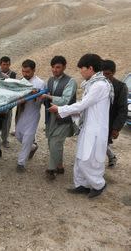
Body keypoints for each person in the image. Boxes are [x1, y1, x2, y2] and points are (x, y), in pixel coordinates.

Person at [48, 54, 113, 198]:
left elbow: (83, 105)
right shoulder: (92, 84)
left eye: (82, 69)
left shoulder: (100, 85)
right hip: (87, 127)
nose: (81, 72)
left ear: (90, 68)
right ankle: (82, 185)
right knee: (79, 159)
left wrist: (60, 109)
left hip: (95, 129)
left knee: (89, 160)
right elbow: (85, 108)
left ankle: (98, 185)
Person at [41, 56, 77, 180]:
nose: (55, 70)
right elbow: (46, 95)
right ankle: (60, 166)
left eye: (58, 67)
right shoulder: (50, 80)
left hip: (64, 117)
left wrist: (49, 97)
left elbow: (65, 100)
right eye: (53, 67)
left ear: (64, 67)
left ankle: (51, 169)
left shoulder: (71, 81)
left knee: (55, 142)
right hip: (51, 117)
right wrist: (41, 96)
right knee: (52, 141)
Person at [15, 59, 45, 173]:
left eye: (27, 72)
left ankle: (21, 163)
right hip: (21, 112)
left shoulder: (40, 83)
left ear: (33, 70)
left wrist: (36, 95)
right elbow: (16, 97)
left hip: (33, 113)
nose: (25, 74)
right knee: (18, 135)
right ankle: (32, 147)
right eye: (23, 71)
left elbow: (40, 102)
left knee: (27, 137)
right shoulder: (21, 81)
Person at [102, 60, 128, 167]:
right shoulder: (98, 84)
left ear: (114, 72)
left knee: (103, 143)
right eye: (103, 74)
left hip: (110, 122)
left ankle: (110, 157)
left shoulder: (121, 87)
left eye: (108, 74)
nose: (105, 77)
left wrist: (116, 128)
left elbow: (122, 110)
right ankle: (111, 156)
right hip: (98, 120)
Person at [0, 56, 17, 148]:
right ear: (0, 64)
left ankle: (5, 140)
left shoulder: (13, 74)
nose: (5, 66)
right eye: (3, 64)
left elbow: (14, 88)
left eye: (7, 64)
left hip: (8, 102)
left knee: (7, 122)